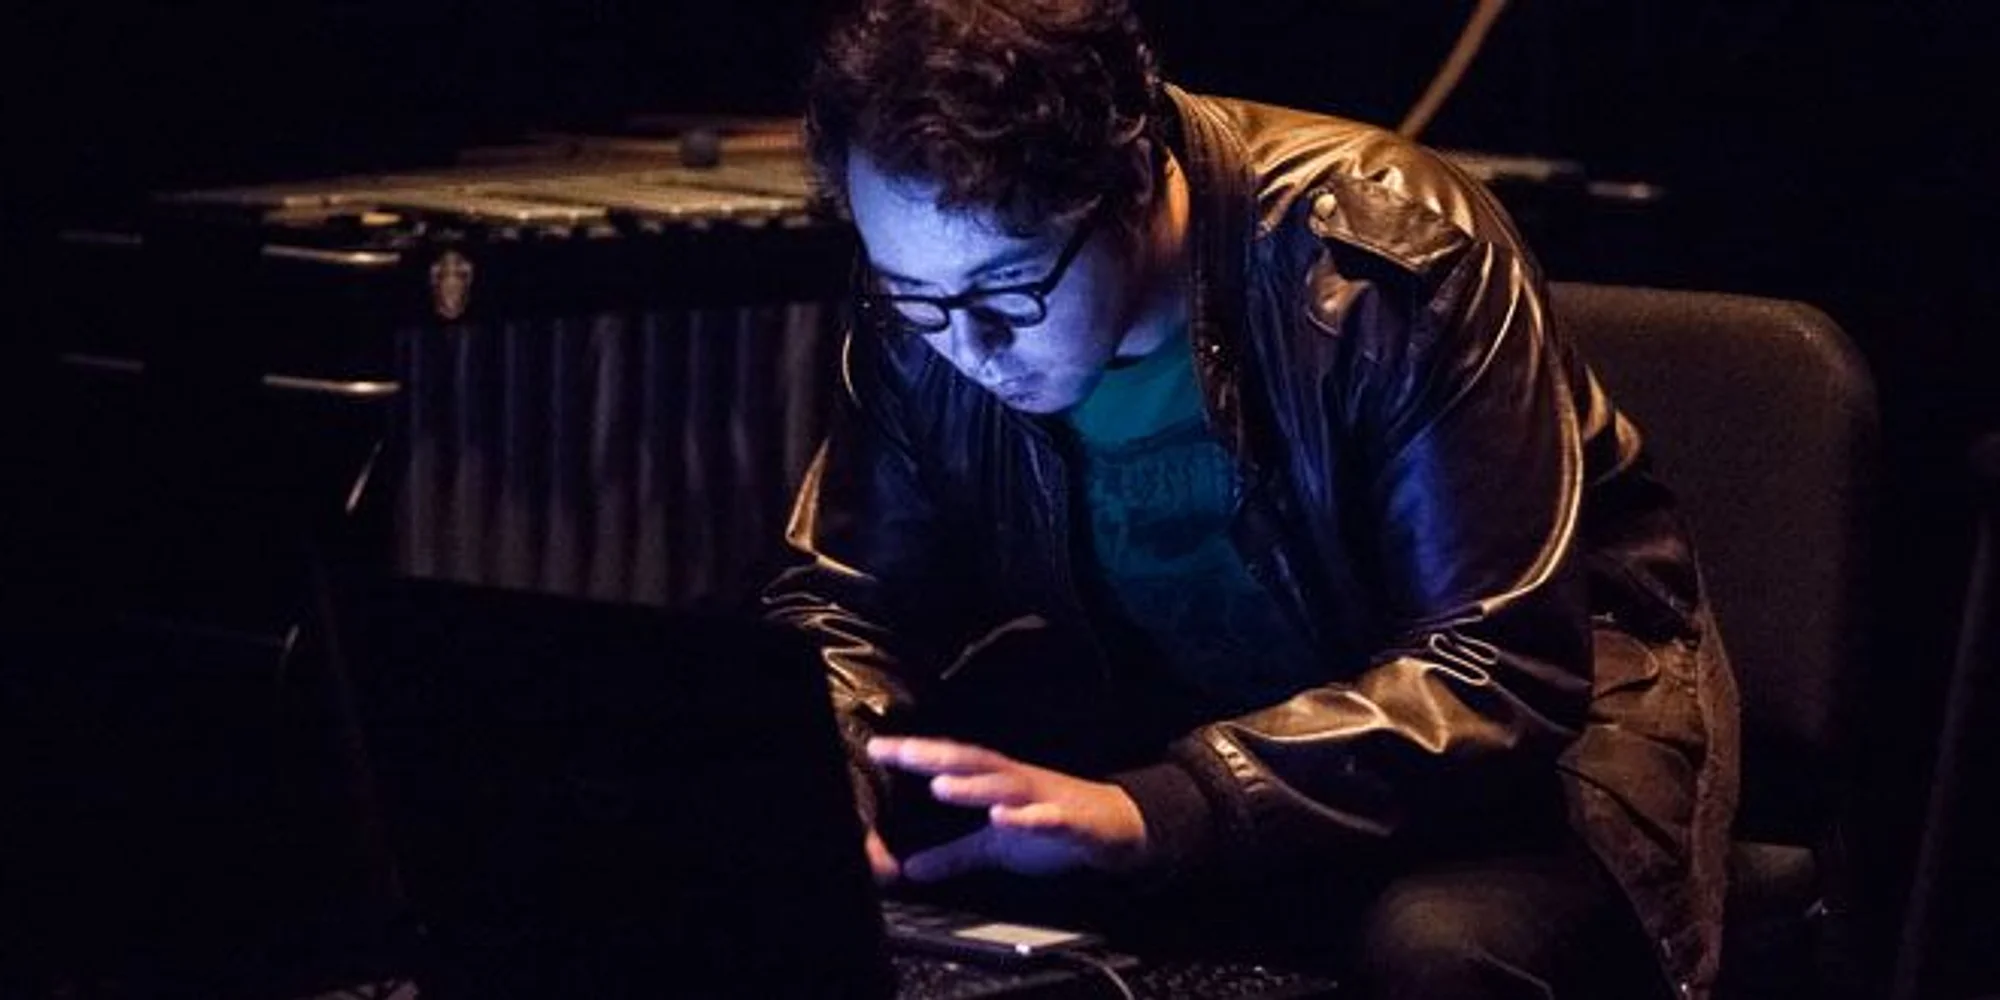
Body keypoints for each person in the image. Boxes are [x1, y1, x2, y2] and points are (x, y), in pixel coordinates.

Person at [763, 1, 1739, 997]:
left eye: (1009, 290)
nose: (966, 346)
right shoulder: (931, 306)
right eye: (913, 295)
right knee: (838, 867)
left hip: (1538, 747)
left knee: (1434, 951)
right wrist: (828, 783)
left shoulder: (1388, 256)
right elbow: (848, 605)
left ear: (1132, 179)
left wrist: (1164, 807)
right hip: (1198, 708)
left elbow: (1499, 668)